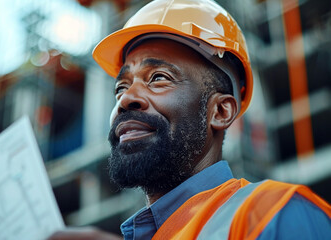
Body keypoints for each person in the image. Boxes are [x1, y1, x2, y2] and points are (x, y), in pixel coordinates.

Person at [49, 0, 331, 239]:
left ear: (220, 112)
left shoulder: (273, 213)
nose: (124, 99)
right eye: (120, 87)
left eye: (158, 78)